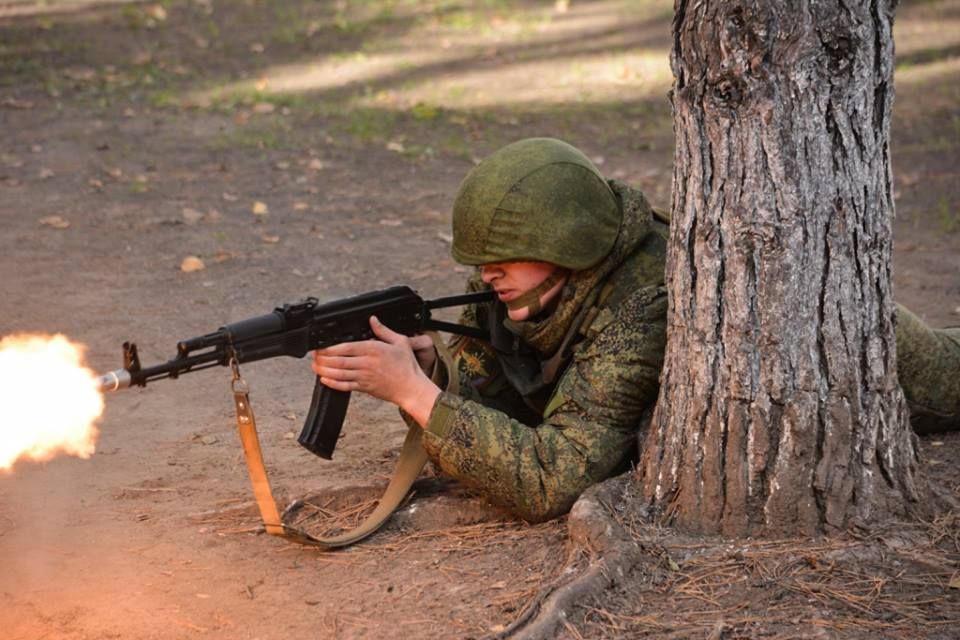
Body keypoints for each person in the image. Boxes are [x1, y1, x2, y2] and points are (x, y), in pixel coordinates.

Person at [312, 137, 960, 523]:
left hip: (867, 351)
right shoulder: (520, 290)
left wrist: (416, 398)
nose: (487, 276)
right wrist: (428, 372)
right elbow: (505, 403)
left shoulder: (641, 301)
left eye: (504, 260)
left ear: (565, 244)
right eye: (481, 262)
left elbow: (552, 477)